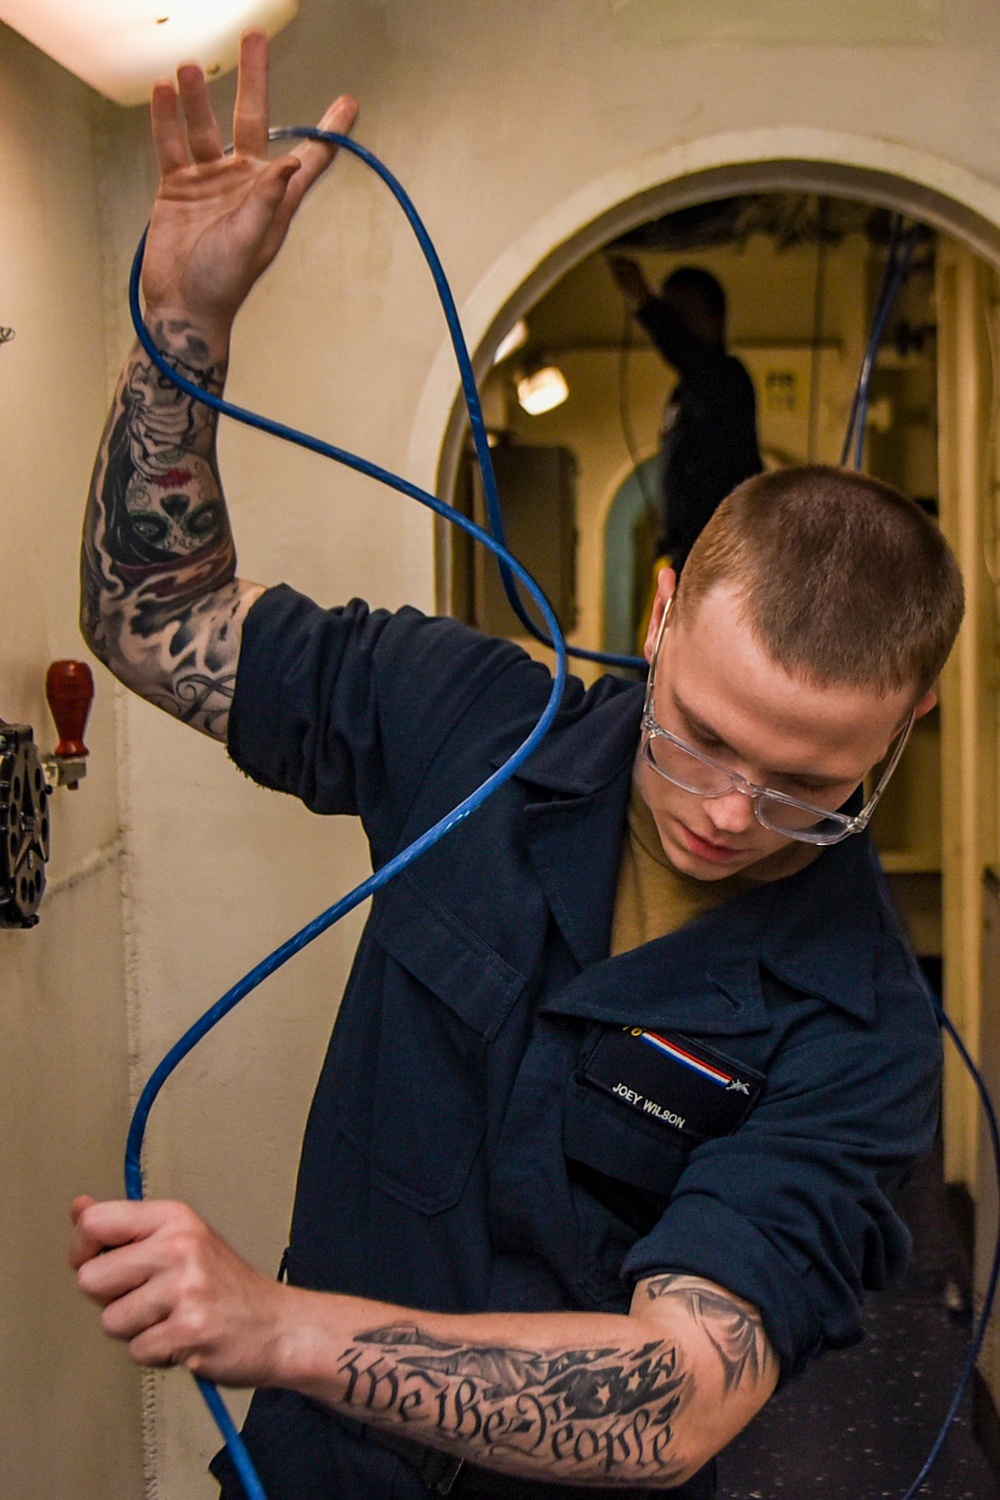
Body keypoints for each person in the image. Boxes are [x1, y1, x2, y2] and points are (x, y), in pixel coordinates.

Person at [70, 32, 964, 1500]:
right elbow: (154, 619)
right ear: (662, 611)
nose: (734, 813)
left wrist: (276, 1325)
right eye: (708, 738)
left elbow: (676, 1394)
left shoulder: (864, 1030)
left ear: (905, 725)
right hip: (315, 1477)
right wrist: (180, 325)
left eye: (812, 782)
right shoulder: (470, 716)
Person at [608, 256, 763, 575]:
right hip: (687, 551)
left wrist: (646, 302)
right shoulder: (684, 393)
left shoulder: (727, 378)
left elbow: (688, 353)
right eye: (671, 315)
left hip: (720, 555)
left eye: (683, 315)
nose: (676, 325)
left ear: (715, 319)